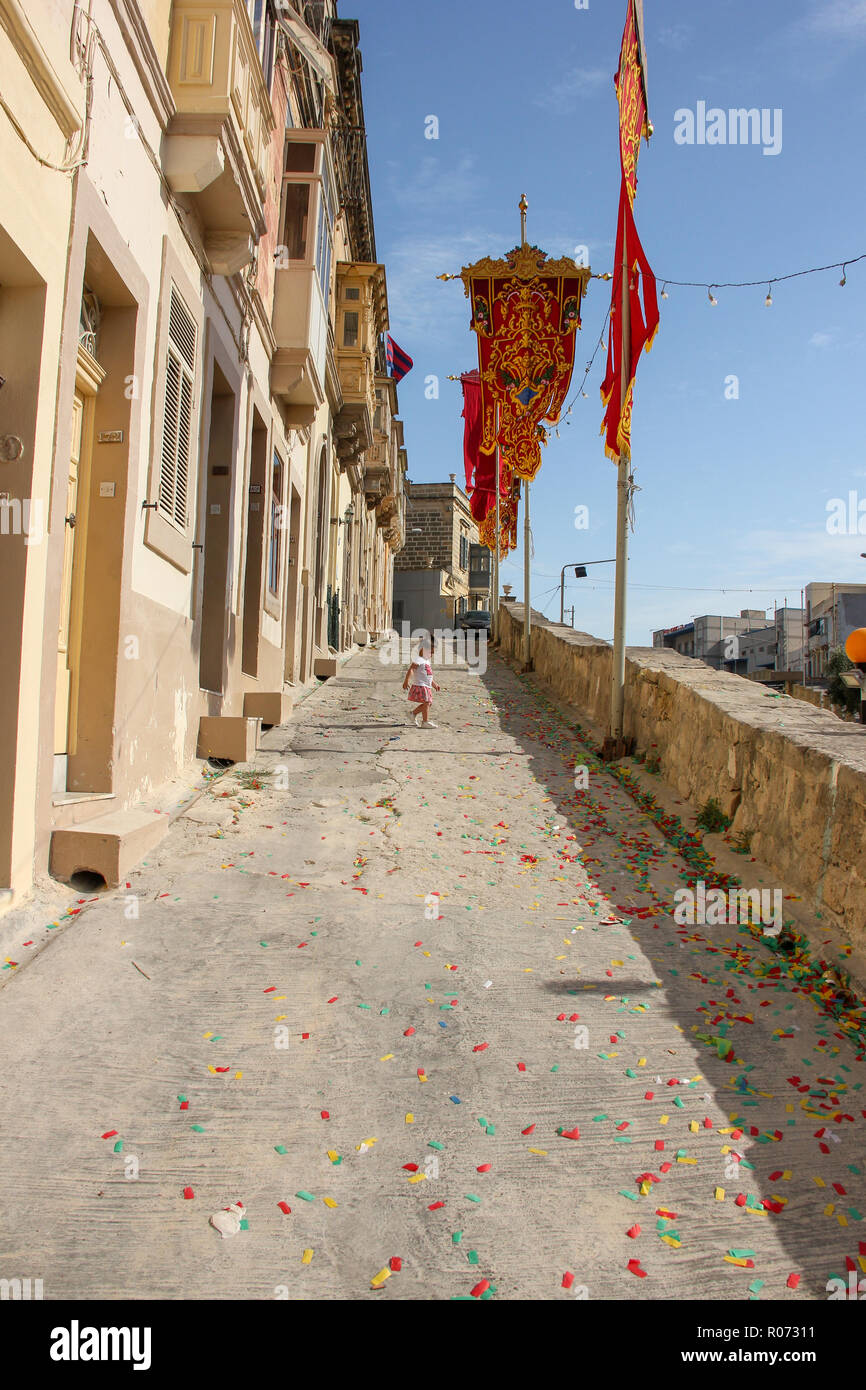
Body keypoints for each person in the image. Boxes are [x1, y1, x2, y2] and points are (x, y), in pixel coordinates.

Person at [403, 632, 440, 727]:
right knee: (427, 702)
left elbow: (428, 676)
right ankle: (425, 722)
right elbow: (411, 669)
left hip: (426, 686)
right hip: (420, 685)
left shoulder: (426, 661)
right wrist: (406, 680)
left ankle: (413, 714)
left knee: (428, 703)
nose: (432, 654)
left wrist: (434, 684)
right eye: (431, 652)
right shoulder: (419, 659)